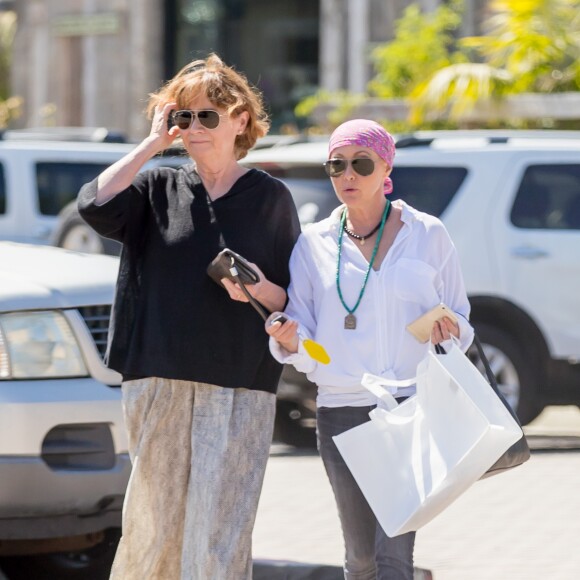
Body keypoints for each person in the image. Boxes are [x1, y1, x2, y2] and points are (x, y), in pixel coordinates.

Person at [77, 53, 301, 580]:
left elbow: (292, 299)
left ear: (240, 120)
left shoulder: (271, 198)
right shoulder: (156, 188)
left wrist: (254, 288)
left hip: (238, 386)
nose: (194, 128)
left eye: (208, 116)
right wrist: (154, 143)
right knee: (153, 531)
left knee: (217, 537)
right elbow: (93, 203)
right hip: (158, 379)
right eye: (185, 117)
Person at [266, 119, 474, 580]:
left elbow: (462, 318)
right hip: (341, 409)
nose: (348, 176)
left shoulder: (428, 233)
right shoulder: (313, 245)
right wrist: (293, 341)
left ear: (386, 171)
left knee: (394, 555)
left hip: (412, 406)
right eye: (336, 165)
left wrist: (449, 328)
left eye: (361, 164)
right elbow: (315, 349)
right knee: (360, 557)